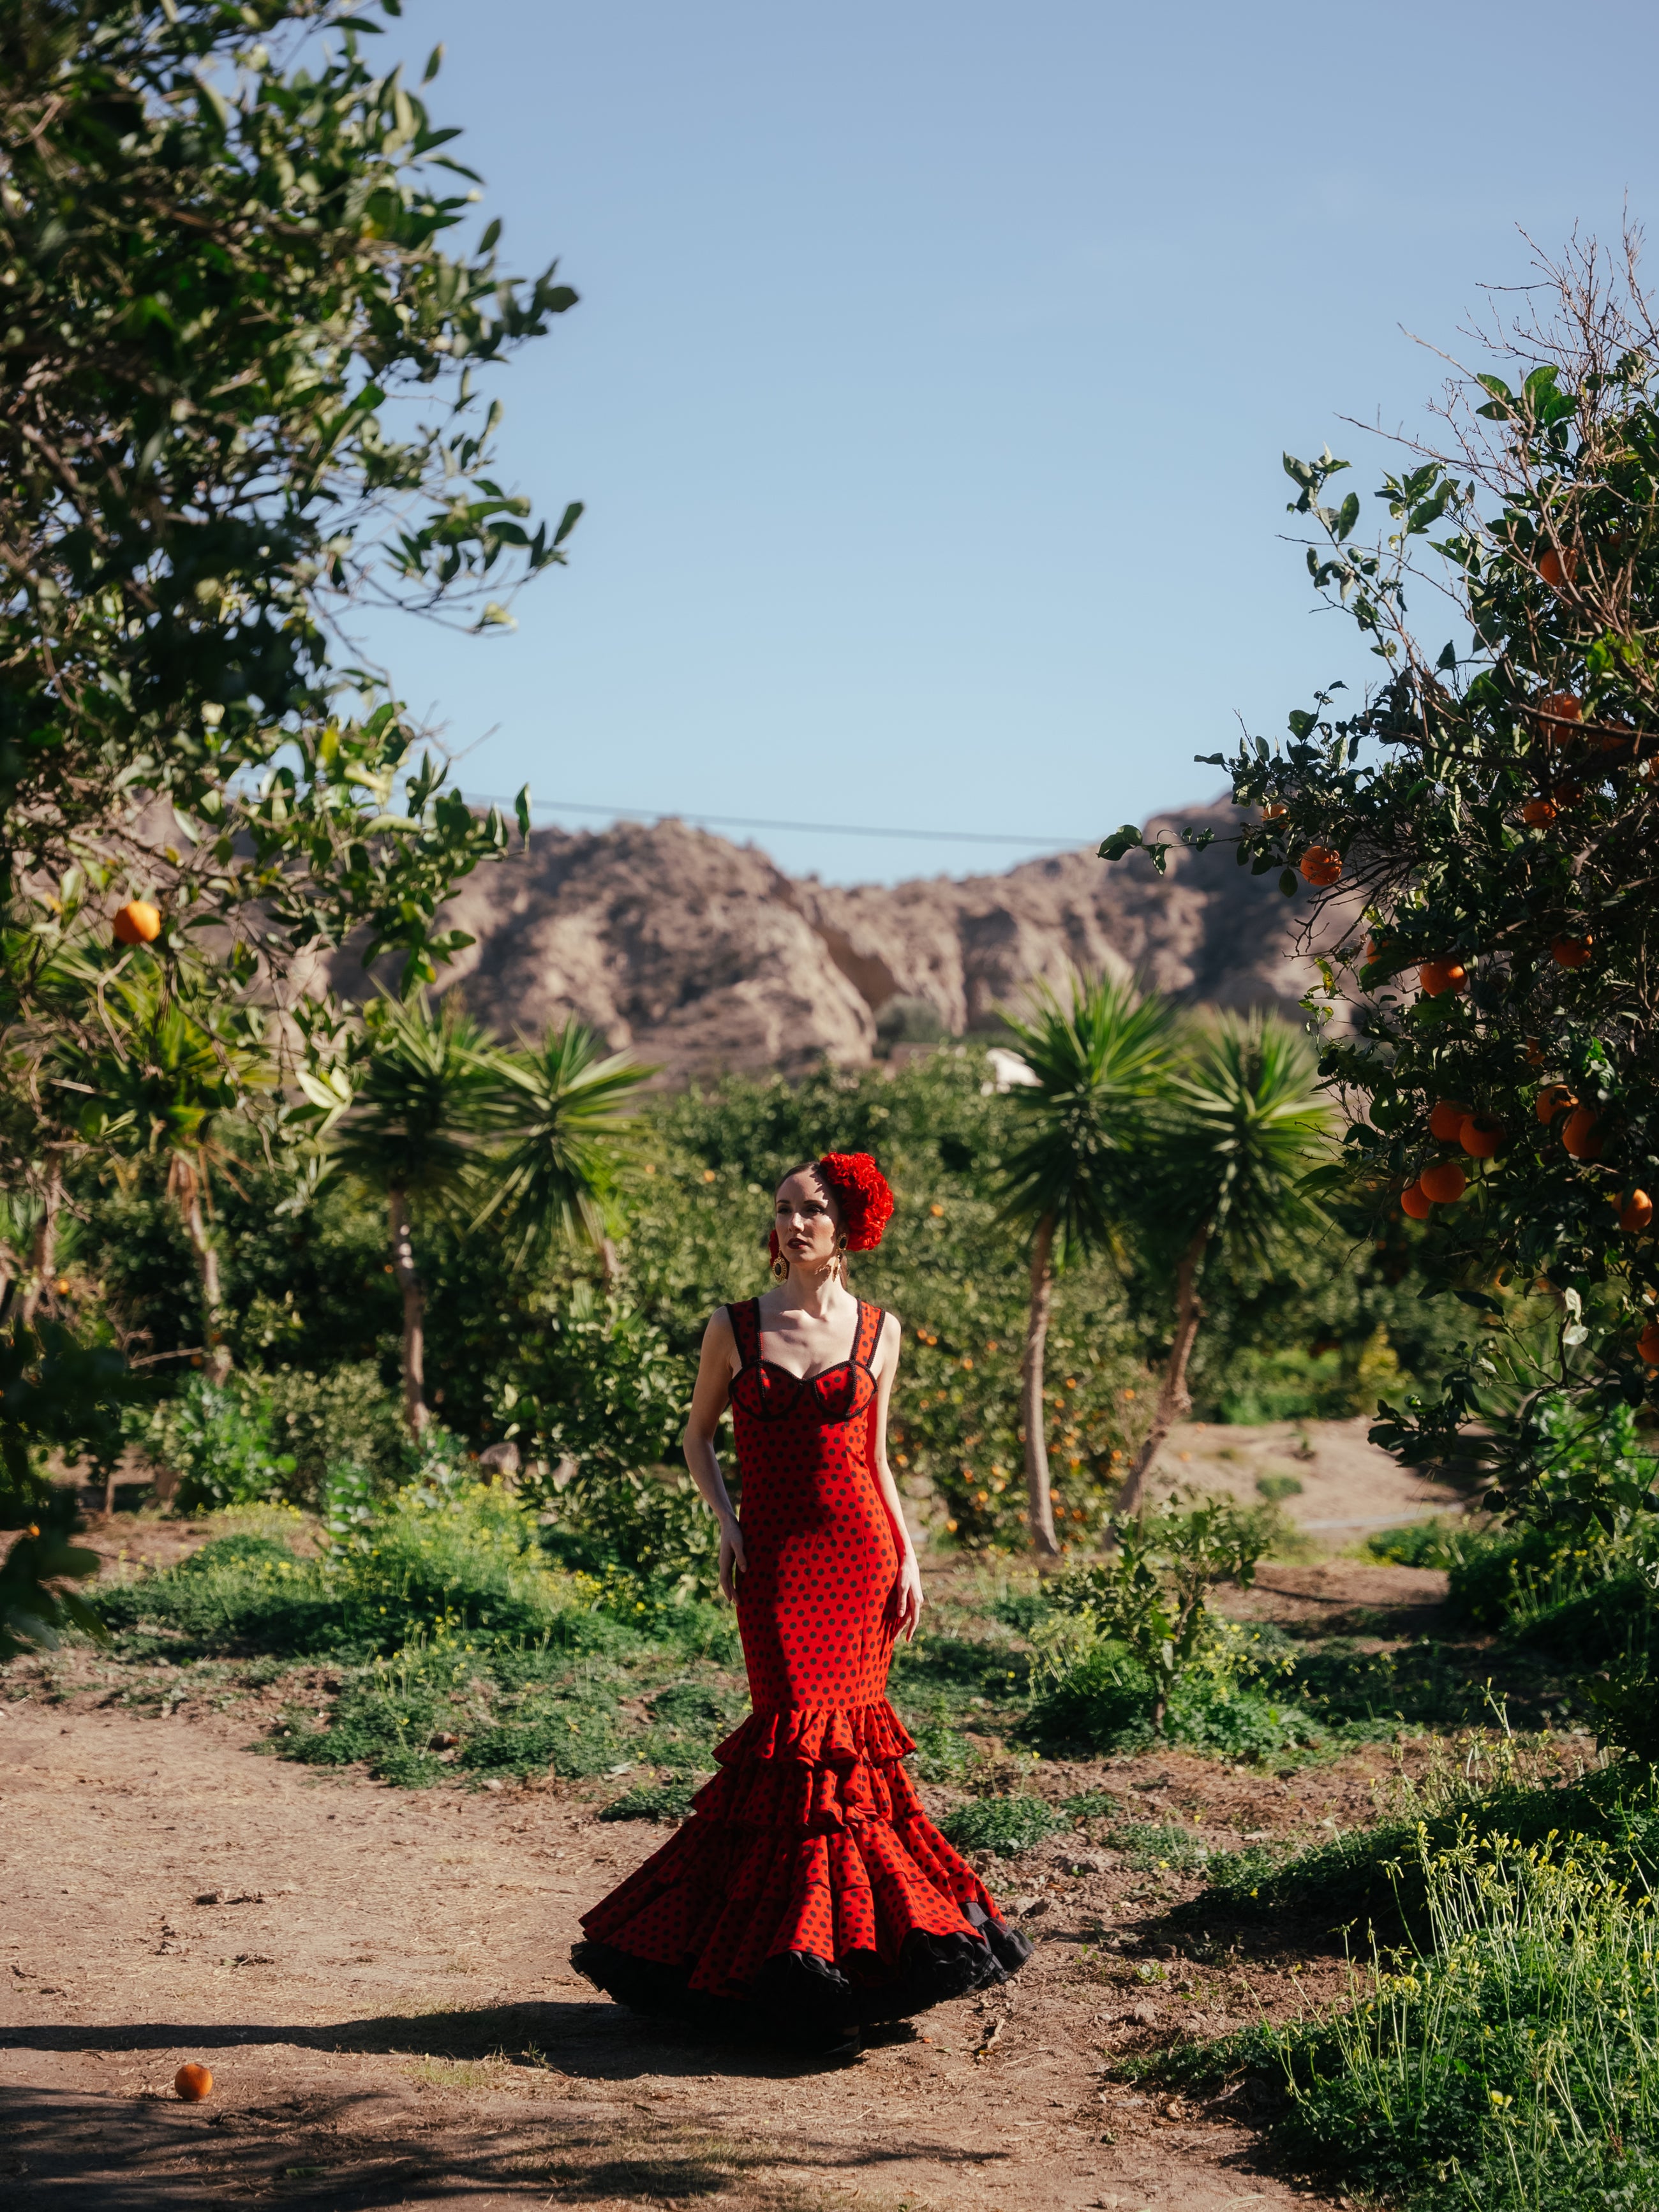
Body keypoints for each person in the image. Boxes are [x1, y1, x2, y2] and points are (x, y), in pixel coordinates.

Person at [572, 1150, 1031, 2059]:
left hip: (861, 1562)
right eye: (784, 1209)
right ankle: (774, 1967)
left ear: (851, 1226)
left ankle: (844, 1965)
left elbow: (878, 1459)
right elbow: (697, 1437)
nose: (794, 1224)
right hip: (777, 1567)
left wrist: (910, 1556)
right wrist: (727, 1523)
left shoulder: (879, 1330)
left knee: (849, 1770)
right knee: (788, 1755)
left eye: (813, 1210)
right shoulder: (735, 1325)